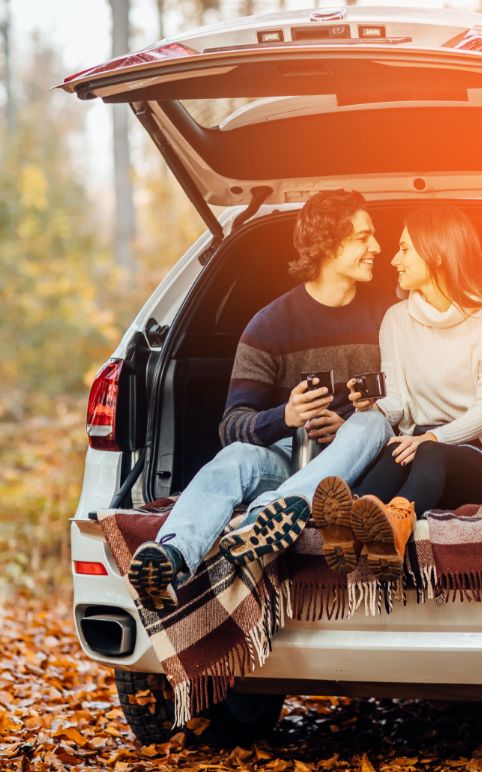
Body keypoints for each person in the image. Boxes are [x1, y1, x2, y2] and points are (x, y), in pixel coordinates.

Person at [127, 189, 394, 611]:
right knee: (234, 457)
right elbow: (232, 423)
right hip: (294, 463)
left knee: (373, 422)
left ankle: (267, 516)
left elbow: (413, 401)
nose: (376, 247)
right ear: (329, 244)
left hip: (366, 463)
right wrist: (286, 416)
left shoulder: (387, 316)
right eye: (363, 238)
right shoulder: (270, 325)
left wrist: (349, 427)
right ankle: (171, 555)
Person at [311, 204, 482, 582]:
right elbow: (398, 402)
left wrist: (432, 436)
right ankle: (348, 525)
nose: (394, 259)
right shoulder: (396, 319)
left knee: (424, 450)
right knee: (397, 449)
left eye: (405, 249)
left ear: (438, 253)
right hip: (419, 445)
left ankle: (392, 532)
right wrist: (370, 408)